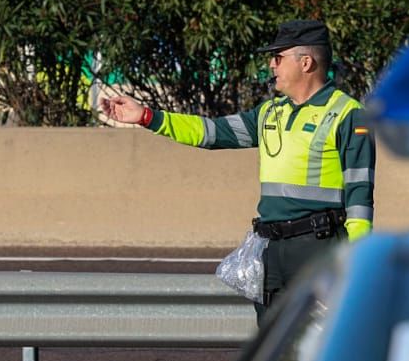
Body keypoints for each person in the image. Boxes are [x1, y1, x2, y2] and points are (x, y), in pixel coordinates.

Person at [100, 20, 375, 320]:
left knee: (319, 349)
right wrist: (148, 117)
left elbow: (360, 193)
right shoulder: (270, 112)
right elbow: (211, 132)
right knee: (272, 349)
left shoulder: (348, 114)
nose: (271, 65)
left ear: (306, 62)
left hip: (318, 247)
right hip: (272, 247)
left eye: (278, 57)